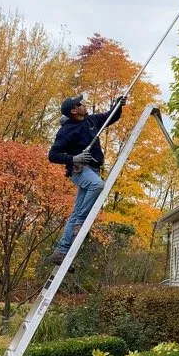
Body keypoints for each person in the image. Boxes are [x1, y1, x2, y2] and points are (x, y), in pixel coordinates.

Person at [47, 93, 126, 265]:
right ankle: (81, 223)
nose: (83, 104)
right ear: (74, 110)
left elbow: (110, 117)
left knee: (75, 214)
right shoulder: (66, 131)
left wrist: (118, 105)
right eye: (80, 104)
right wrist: (73, 158)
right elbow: (52, 155)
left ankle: (61, 251)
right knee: (97, 185)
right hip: (80, 171)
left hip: (94, 169)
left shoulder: (91, 121)